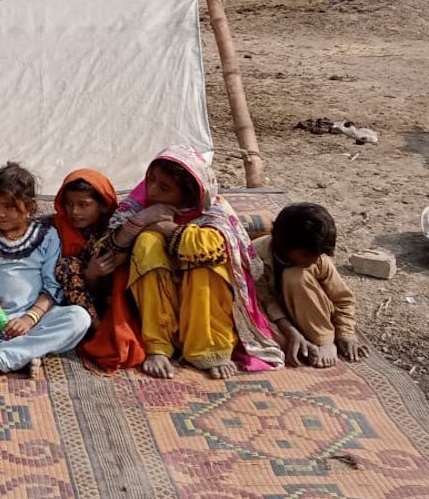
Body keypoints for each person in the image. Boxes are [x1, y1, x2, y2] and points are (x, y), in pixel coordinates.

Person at [102, 146, 282, 380]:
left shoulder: (213, 209)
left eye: (164, 188)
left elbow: (211, 248)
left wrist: (169, 230)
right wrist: (140, 221)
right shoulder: (138, 205)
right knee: (147, 242)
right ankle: (158, 345)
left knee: (207, 260)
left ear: (187, 194)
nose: (153, 190)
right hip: (152, 297)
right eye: (151, 180)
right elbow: (107, 251)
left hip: (202, 301)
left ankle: (208, 346)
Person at [0, 162, 91, 382]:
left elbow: (52, 286)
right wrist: (2, 322)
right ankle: (28, 351)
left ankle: (0, 359)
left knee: (79, 318)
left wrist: (29, 320)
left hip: (36, 318)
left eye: (9, 206)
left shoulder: (48, 236)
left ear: (28, 205)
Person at [253, 203, 367, 368]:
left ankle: (322, 339)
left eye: (317, 255)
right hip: (276, 317)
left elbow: (342, 300)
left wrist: (346, 334)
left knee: (295, 276)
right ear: (284, 245)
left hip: (313, 314)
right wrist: (289, 330)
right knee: (267, 342)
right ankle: (299, 340)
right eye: (306, 255)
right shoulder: (256, 255)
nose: (313, 260)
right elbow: (263, 301)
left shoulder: (317, 259)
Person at [51, 169, 118, 326]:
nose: (74, 212)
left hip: (115, 301)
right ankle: (98, 329)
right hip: (75, 310)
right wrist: (90, 275)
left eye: (83, 205)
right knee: (66, 265)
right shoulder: (56, 230)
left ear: (102, 205)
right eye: (69, 204)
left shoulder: (116, 229)